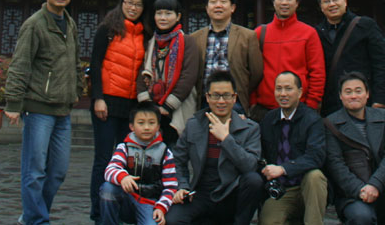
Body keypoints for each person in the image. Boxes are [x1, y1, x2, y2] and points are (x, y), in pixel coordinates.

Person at [4, 0, 85, 225]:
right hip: (39, 108)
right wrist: (14, 103)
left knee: (58, 171)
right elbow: (20, 64)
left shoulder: (70, 24)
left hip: (63, 109)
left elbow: (75, 62)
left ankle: (32, 215)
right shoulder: (34, 25)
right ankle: (38, 220)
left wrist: (77, 89)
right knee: (35, 170)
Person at [89, 0, 151, 223]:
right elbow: (95, 64)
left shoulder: (145, 34)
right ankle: (98, 213)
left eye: (138, 4)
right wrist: (98, 98)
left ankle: (123, 210)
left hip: (131, 105)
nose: (133, 8)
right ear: (121, 3)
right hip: (107, 102)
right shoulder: (107, 29)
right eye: (129, 3)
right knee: (104, 159)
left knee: (128, 160)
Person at [323, 72, 385, 225]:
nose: (353, 96)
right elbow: (336, 164)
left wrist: (375, 184)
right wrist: (361, 190)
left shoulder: (384, 116)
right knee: (362, 217)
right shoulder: (330, 123)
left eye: (358, 91)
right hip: (352, 192)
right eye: (348, 92)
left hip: (382, 183)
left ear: (367, 94)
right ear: (340, 96)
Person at [168, 70, 263, 225]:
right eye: (215, 95)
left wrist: (226, 139)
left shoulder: (250, 128)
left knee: (254, 180)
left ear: (234, 98)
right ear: (207, 97)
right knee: (172, 220)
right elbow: (177, 159)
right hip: (201, 192)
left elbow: (250, 166)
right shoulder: (194, 125)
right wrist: (182, 186)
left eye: (226, 95)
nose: (221, 101)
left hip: (230, 193)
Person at [258, 71, 328, 225]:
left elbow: (316, 156)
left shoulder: (312, 120)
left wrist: (284, 169)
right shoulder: (269, 119)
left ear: (300, 92)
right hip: (282, 190)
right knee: (269, 221)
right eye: (279, 89)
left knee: (315, 176)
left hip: (306, 188)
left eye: (288, 88)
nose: (283, 94)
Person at [251, 0, 326, 120]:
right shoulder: (260, 33)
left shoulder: (308, 33)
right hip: (264, 109)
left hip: (300, 108)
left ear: (297, 2)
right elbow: (251, 72)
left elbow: (317, 72)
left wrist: (312, 104)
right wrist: (253, 102)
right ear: (273, 1)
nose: (284, 2)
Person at [315, 0, 385, 115]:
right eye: (326, 1)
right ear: (321, 7)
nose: (332, 4)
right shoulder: (317, 33)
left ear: (345, 1)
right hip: (330, 104)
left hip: (362, 101)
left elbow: (381, 65)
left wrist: (380, 99)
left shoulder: (365, 26)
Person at [99, 101, 178, 225]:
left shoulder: (165, 153)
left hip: (150, 203)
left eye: (151, 123)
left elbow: (171, 187)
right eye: (141, 123)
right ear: (131, 126)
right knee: (108, 189)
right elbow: (110, 170)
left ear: (158, 126)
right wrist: (123, 177)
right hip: (127, 198)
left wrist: (161, 207)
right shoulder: (124, 148)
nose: (146, 127)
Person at [188, 0, 263, 114]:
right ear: (207, 8)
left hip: (235, 101)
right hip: (204, 100)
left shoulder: (247, 36)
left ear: (232, 7)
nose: (218, 5)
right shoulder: (194, 38)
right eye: (213, 2)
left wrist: (240, 88)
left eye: (223, 1)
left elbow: (256, 72)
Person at [137, 0, 201, 146]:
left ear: (178, 16)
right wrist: (148, 105)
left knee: (176, 150)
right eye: (159, 13)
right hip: (152, 108)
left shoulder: (187, 42)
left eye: (168, 13)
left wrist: (168, 105)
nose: (163, 18)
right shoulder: (150, 43)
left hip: (178, 107)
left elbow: (189, 76)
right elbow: (141, 73)